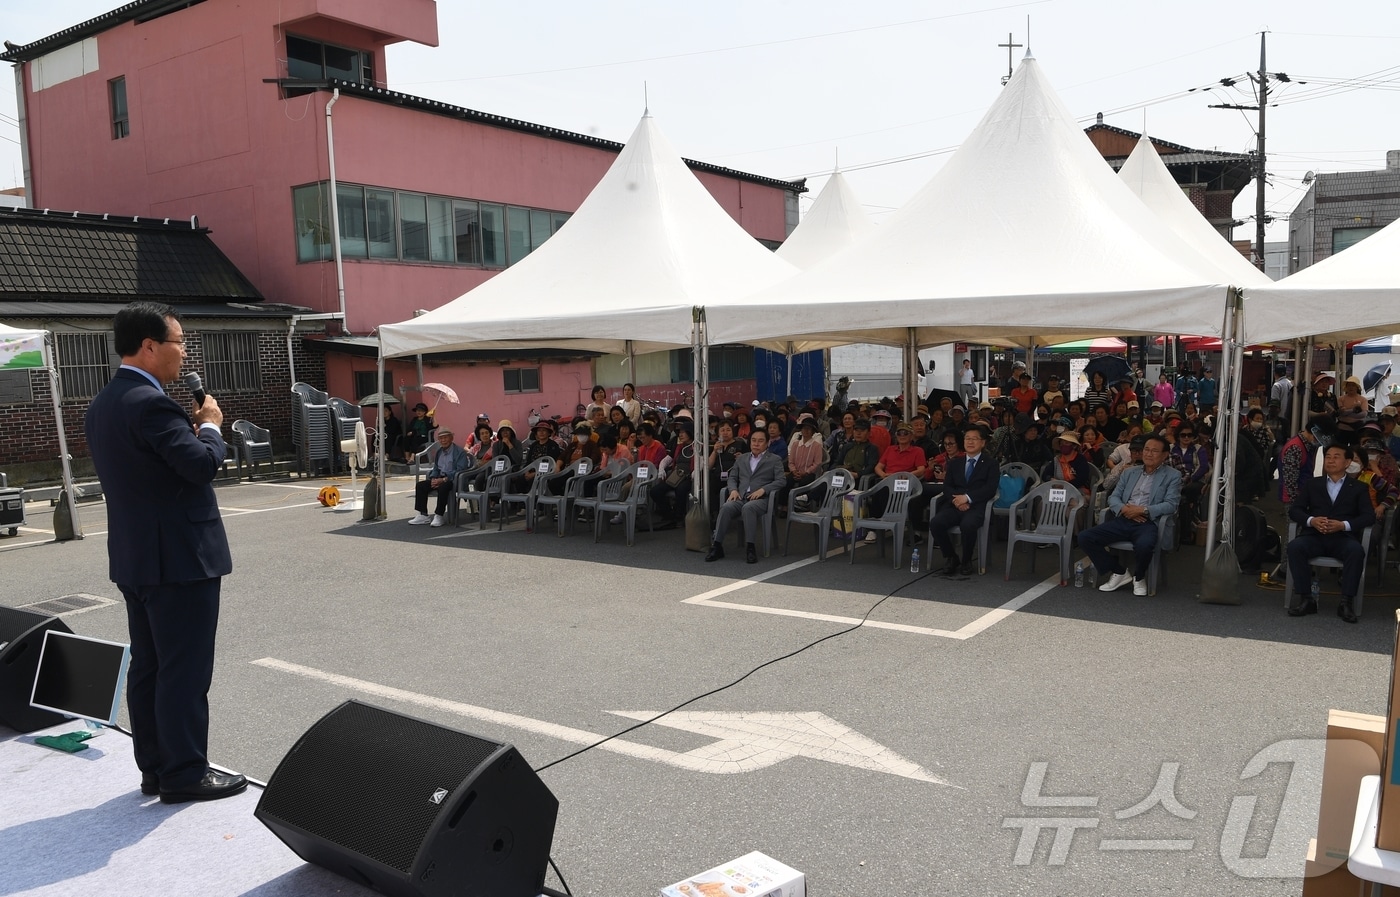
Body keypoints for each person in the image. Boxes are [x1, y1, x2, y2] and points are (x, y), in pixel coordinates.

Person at [83, 302, 246, 803]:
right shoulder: (153, 405)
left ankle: (154, 767)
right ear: (150, 347)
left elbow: (159, 468)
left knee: (150, 666)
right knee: (184, 669)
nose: (183, 353)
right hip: (179, 559)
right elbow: (199, 466)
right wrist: (213, 427)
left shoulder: (105, 403)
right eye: (179, 343)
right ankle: (184, 773)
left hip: (136, 557)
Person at [1080, 434, 1182, 596]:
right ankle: (1119, 572)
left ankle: (1139, 577)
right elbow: (1113, 496)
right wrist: (1125, 510)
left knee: (1144, 545)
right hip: (1125, 517)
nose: (1148, 454)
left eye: (1154, 451)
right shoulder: (1130, 472)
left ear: (1164, 455)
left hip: (1149, 521)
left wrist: (1143, 510)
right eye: (1146, 450)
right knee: (1086, 537)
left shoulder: (1172, 476)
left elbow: (1171, 504)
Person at [1287, 444, 1377, 623]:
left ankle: (1346, 602)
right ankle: (1306, 599)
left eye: (1336, 456)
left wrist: (1343, 525)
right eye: (1328, 456)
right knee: (1295, 547)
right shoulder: (1313, 484)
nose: (1330, 460)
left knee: (1356, 551)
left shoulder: (1358, 487)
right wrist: (1311, 520)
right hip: (1314, 536)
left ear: (1348, 462)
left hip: (1342, 538)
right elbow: (1295, 510)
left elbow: (1368, 516)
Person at [707, 428, 786, 563]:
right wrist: (733, 490)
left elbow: (781, 480)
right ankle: (717, 546)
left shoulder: (774, 459)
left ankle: (750, 547)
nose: (756, 444)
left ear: (767, 443)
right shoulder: (742, 458)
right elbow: (732, 477)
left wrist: (763, 490)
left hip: (760, 499)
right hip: (740, 496)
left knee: (748, 508)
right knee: (726, 507)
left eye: (760, 441)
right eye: (753, 440)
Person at [928, 426, 1000, 575]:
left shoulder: (990, 464)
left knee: (968, 524)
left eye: (974, 439)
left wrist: (967, 498)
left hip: (977, 506)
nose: (970, 442)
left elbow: (990, 489)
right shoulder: (955, 463)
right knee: (936, 523)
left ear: (983, 443)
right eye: (967, 438)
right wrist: (957, 500)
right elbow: (947, 486)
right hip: (955, 505)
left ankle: (967, 560)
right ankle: (951, 557)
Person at [410, 428, 470, 526]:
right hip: (440, 477)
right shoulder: (439, 452)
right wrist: (434, 478)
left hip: (452, 479)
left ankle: (439, 515)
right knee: (420, 486)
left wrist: (443, 479)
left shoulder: (459, 452)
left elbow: (461, 470)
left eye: (445, 438)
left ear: (451, 438)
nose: (443, 440)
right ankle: (423, 515)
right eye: (441, 438)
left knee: (444, 487)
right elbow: (436, 468)